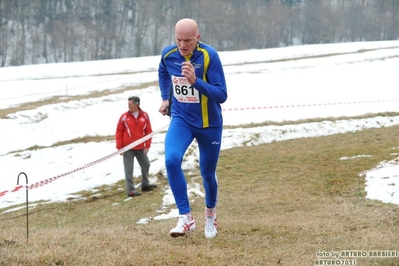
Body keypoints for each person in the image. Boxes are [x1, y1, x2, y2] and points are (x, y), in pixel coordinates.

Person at [158, 18, 227, 238]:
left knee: (207, 173)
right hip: (182, 119)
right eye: (178, 40)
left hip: (209, 124)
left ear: (198, 38)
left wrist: (195, 81)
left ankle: (210, 215)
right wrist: (165, 98)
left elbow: (221, 95)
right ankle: (186, 218)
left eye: (187, 40)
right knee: (171, 159)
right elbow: (162, 73)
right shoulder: (168, 55)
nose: (182, 45)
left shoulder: (210, 56)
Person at [115, 96, 157, 197]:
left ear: (137, 104)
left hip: (141, 148)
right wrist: (119, 147)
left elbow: (148, 131)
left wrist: (147, 145)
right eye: (128, 104)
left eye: (130, 104)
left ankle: (145, 185)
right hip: (128, 148)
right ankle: (131, 190)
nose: (128, 106)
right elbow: (119, 132)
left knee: (146, 164)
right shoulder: (124, 117)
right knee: (129, 169)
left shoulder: (145, 116)